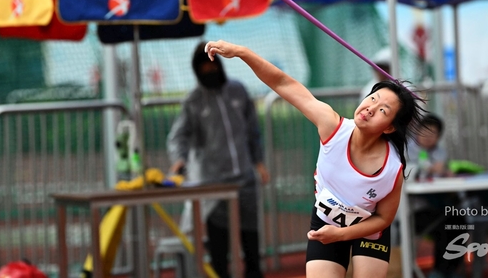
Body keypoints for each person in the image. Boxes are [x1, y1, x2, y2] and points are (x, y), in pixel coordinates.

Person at [204, 40, 426, 278]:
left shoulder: (392, 168)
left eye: (383, 110)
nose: (371, 108)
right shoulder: (331, 125)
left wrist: (342, 234)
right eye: (373, 98)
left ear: (390, 127)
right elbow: (282, 83)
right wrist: (242, 52)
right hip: (326, 222)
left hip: (368, 229)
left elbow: (383, 218)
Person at [166, 41, 270, 278]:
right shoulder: (193, 101)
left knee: (251, 239)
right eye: (204, 69)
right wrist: (179, 159)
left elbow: (253, 130)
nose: (209, 72)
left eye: (212, 67)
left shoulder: (238, 91)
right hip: (214, 184)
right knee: (219, 246)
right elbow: (178, 136)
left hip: (244, 179)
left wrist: (259, 163)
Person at [408, 113, 464, 278]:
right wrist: (430, 169)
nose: (428, 137)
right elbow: (408, 175)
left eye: (433, 134)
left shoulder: (440, 152)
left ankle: (449, 270)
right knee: (443, 225)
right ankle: (439, 272)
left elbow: (442, 176)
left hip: (438, 204)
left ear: (439, 136)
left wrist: (446, 173)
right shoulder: (406, 149)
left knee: (459, 221)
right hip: (413, 210)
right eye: (424, 132)